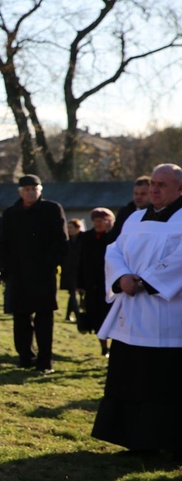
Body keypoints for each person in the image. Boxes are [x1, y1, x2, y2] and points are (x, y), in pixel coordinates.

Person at [92, 163, 182, 454]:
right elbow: (114, 250)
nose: (154, 189)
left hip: (165, 315)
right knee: (129, 378)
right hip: (130, 315)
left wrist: (145, 280)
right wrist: (121, 278)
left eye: (162, 185)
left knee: (161, 382)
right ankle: (129, 437)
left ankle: (163, 443)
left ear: (179, 188)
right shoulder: (134, 217)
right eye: (152, 183)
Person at [0, 174, 68, 374]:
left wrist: (51, 263)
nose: (30, 192)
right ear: (20, 192)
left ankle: (45, 361)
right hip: (18, 272)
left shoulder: (51, 209)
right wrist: (5, 268)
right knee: (20, 317)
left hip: (43, 273)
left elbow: (61, 241)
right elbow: (4, 242)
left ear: (40, 190)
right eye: (26, 189)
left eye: (34, 188)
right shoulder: (12, 212)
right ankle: (25, 357)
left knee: (44, 318)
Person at [76, 208, 114, 357]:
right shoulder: (86, 237)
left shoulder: (114, 237)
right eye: (96, 221)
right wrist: (80, 283)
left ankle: (113, 343)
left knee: (110, 314)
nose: (98, 224)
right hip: (92, 283)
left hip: (110, 283)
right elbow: (81, 260)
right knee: (96, 316)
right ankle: (104, 346)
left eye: (102, 221)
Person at [106, 175, 150, 243]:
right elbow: (115, 238)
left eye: (143, 194)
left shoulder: (158, 213)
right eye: (136, 194)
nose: (138, 197)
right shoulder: (124, 213)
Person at [60, 218, 83, 322]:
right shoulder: (66, 241)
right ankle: (77, 315)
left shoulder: (83, 239)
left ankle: (69, 315)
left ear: (77, 228)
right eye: (68, 227)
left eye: (71, 227)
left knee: (74, 293)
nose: (69, 230)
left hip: (80, 270)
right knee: (72, 292)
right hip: (69, 270)